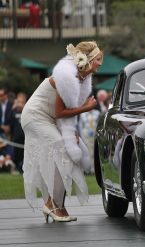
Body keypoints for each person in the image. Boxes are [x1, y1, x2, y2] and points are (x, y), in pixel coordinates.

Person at [21, 41, 102, 222]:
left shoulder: (82, 78)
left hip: (51, 118)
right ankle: (52, 205)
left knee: (72, 150)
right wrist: (87, 108)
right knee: (62, 148)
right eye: (98, 59)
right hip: (35, 116)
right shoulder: (66, 76)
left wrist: (72, 132)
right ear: (88, 60)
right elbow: (60, 112)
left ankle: (57, 204)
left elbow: (64, 110)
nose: (100, 63)